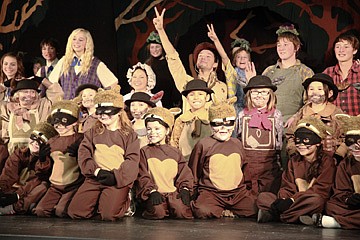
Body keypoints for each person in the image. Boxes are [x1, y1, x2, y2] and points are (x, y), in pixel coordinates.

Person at [67, 86, 140, 221]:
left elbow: (132, 161)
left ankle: (127, 201)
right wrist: (96, 171)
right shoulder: (93, 132)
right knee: (75, 212)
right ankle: (99, 203)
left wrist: (116, 176)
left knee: (108, 215)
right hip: (96, 177)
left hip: (117, 180)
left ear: (119, 112)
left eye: (108, 112)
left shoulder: (130, 135)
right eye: (100, 112)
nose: (103, 115)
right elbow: (84, 154)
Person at [257, 117, 336, 224]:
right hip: (293, 202)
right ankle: (298, 216)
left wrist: (293, 200)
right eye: (298, 141)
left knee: (316, 201)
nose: (301, 145)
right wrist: (284, 199)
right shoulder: (294, 160)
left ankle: (277, 216)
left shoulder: (327, 161)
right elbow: (287, 186)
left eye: (306, 141)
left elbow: (321, 190)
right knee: (263, 197)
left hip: (308, 201)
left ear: (318, 143)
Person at [188, 97, 257, 219]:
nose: (223, 128)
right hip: (212, 193)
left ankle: (227, 210)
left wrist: (249, 192)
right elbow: (194, 171)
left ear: (234, 124)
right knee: (202, 210)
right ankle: (221, 210)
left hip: (237, 193)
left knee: (254, 207)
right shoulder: (204, 144)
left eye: (228, 123)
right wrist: (192, 194)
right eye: (217, 124)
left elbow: (245, 171)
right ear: (210, 125)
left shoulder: (237, 144)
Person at [152, 7, 227, 112]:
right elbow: (173, 58)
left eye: (208, 56)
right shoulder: (187, 82)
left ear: (215, 64)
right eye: (200, 56)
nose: (203, 58)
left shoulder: (223, 87)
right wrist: (161, 30)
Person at [300, 114, 360, 229]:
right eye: (350, 143)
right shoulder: (346, 164)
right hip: (352, 207)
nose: (356, 148)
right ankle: (349, 221)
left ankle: (337, 222)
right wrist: (349, 199)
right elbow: (340, 192)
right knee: (330, 206)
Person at [137, 107, 193, 219]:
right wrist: (151, 191)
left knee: (181, 212)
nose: (152, 133)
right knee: (158, 212)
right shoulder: (144, 151)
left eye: (157, 129)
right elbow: (142, 175)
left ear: (167, 130)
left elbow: (184, 173)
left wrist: (185, 189)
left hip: (172, 193)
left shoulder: (175, 152)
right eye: (149, 129)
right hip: (155, 193)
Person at [35, 100, 84, 218]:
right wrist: (42, 160)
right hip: (55, 185)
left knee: (61, 211)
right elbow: (44, 171)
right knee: (40, 210)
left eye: (64, 122)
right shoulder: (52, 141)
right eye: (56, 122)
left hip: (74, 184)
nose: (59, 126)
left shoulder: (81, 139)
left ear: (75, 122)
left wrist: (81, 153)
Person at [235, 75, 283, 194]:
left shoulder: (276, 115)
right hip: (248, 164)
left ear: (270, 95)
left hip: (268, 165)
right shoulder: (242, 115)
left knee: (268, 192)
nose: (259, 95)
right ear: (249, 95)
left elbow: (279, 142)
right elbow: (238, 138)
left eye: (263, 92)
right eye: (255, 92)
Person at [0, 122, 58, 215]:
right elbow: (8, 173)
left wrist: (17, 195)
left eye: (40, 142)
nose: (35, 143)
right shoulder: (19, 153)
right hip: (19, 188)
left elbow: (36, 181)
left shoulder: (46, 161)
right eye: (34, 139)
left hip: (31, 190)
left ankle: (16, 208)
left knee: (43, 186)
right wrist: (3, 190)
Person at [286, 73, 345, 163]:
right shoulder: (302, 113)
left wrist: (338, 156)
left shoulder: (336, 114)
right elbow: (290, 136)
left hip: (331, 162)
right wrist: (294, 153)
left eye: (320, 89)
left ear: (330, 93)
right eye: (311, 89)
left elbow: (346, 137)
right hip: (305, 161)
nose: (315, 92)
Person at [262, 24, 314, 122]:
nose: (281, 48)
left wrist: (296, 117)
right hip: (269, 123)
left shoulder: (305, 71)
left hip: (293, 123)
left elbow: (311, 102)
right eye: (279, 45)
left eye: (286, 45)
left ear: (296, 47)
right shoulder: (269, 71)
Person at [48, 28, 118, 100]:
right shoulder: (64, 61)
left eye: (80, 40)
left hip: (86, 109)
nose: (76, 42)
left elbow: (113, 84)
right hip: (67, 108)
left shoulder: (96, 63)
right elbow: (51, 82)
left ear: (87, 43)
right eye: (74, 39)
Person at [0, 78, 63, 154]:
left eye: (33, 92)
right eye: (25, 92)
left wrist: (43, 80)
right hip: (13, 154)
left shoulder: (44, 105)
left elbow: (58, 94)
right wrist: (4, 85)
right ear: (17, 95)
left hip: (38, 153)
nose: (29, 95)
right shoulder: (9, 108)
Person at [207, 24, 255, 115]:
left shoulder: (253, 73)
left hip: (249, 111)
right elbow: (224, 57)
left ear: (249, 60)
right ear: (234, 61)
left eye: (245, 57)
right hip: (234, 110)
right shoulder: (232, 72)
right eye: (238, 57)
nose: (242, 59)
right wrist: (216, 40)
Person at [170, 79, 213, 161]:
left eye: (200, 94)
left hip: (208, 163)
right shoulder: (181, 120)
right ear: (187, 98)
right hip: (186, 163)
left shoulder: (211, 118)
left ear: (207, 97)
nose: (196, 97)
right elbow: (174, 143)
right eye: (191, 95)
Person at [323, 33, 360, 116]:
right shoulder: (328, 73)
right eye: (338, 46)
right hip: (334, 124)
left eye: (346, 47)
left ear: (354, 50)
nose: (341, 50)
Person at [144, 31, 182, 108]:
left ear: (162, 47)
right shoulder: (147, 65)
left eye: (157, 47)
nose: (155, 50)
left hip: (171, 99)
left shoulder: (169, 62)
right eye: (152, 47)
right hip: (155, 100)